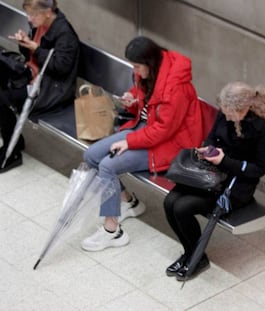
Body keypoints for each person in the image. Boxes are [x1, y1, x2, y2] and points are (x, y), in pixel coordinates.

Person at [81, 36, 205, 252]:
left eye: (137, 66)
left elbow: (164, 130)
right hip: (145, 130)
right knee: (91, 155)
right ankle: (129, 202)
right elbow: (145, 99)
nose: (135, 70)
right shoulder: (150, 73)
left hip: (170, 145)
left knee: (108, 166)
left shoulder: (176, 87)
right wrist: (133, 100)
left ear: (150, 62)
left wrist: (129, 141)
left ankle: (113, 231)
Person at [164, 81, 265, 281]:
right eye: (224, 111)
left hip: (235, 187)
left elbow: (258, 169)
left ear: (243, 108)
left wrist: (224, 160)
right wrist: (208, 150)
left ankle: (196, 257)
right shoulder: (225, 113)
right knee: (169, 202)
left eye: (229, 113)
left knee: (181, 208)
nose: (226, 116)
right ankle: (190, 253)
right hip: (210, 175)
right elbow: (211, 138)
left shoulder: (263, 128)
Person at [0, 0, 79, 173]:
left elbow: (60, 69)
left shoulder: (65, 35)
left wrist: (36, 49)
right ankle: (12, 140)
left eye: (33, 14)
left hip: (50, 90)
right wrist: (25, 44)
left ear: (48, 12)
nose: (30, 19)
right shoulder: (41, 24)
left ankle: (12, 150)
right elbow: (32, 57)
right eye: (28, 14)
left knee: (2, 99)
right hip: (32, 76)